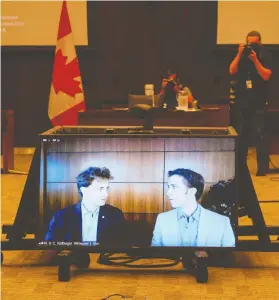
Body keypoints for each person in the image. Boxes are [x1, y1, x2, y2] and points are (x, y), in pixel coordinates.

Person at [151, 168, 235, 247]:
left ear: (192, 191)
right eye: (168, 187)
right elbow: (155, 255)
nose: (168, 193)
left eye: (174, 187)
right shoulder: (162, 219)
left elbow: (229, 256)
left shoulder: (222, 222)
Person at [229, 31, 272, 176]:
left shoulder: (265, 55)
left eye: (254, 43)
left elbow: (266, 75)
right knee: (243, 134)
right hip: (244, 101)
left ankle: (262, 168)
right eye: (249, 43)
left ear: (260, 42)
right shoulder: (242, 56)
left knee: (260, 134)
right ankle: (241, 166)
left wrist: (255, 60)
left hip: (259, 101)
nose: (251, 46)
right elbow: (231, 70)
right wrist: (239, 54)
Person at [44, 167, 125, 243]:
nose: (106, 194)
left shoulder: (115, 214)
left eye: (106, 188)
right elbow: (49, 247)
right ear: (83, 190)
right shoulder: (61, 217)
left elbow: (122, 245)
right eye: (100, 189)